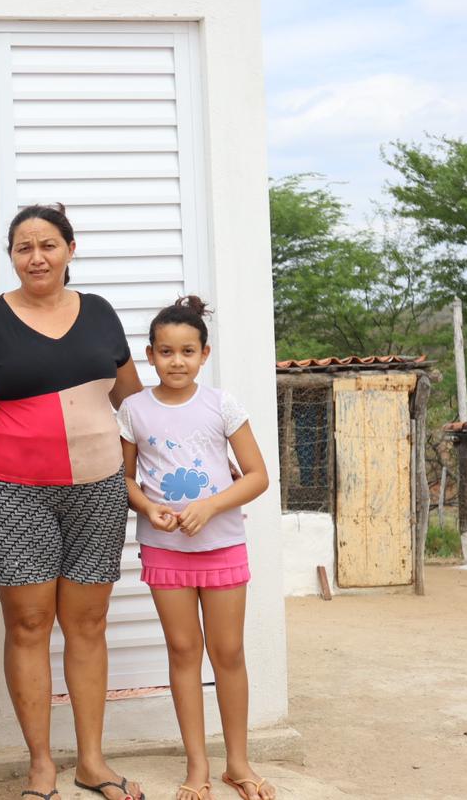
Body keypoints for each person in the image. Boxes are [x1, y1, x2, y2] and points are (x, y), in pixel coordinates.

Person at [0, 204, 143, 800]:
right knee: (30, 624)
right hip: (14, 491)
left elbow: (134, 406)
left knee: (88, 624)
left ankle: (92, 761)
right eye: (23, 247)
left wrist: (135, 486)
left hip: (98, 490)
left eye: (47, 244)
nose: (36, 257)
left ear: (70, 248)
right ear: (11, 256)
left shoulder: (99, 313)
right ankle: (41, 765)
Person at [117, 296, 273, 800]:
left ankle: (239, 764)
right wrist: (147, 509)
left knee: (227, 652)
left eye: (187, 351)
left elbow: (257, 476)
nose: (177, 361)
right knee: (184, 651)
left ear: (204, 354)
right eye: (166, 352)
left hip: (223, 545)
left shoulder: (221, 405)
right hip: (165, 550)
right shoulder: (133, 410)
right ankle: (198, 768)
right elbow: (124, 480)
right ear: (150, 355)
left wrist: (210, 507)